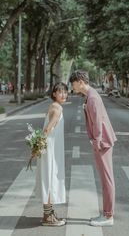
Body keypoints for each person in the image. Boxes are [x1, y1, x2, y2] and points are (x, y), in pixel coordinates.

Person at [69, 71, 117, 227]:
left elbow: (97, 123)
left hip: (103, 142)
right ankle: (106, 213)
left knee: (106, 180)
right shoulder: (90, 96)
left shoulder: (93, 98)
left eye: (74, 83)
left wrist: (96, 142)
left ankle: (108, 215)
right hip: (102, 141)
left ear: (81, 81)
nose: (72, 86)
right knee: (105, 179)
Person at [35, 82, 68, 227]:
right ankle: (48, 217)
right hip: (51, 149)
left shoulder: (54, 106)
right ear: (54, 94)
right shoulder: (58, 108)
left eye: (65, 92)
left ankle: (48, 212)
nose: (64, 94)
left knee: (49, 178)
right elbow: (48, 129)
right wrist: (37, 146)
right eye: (60, 92)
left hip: (50, 147)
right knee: (50, 179)